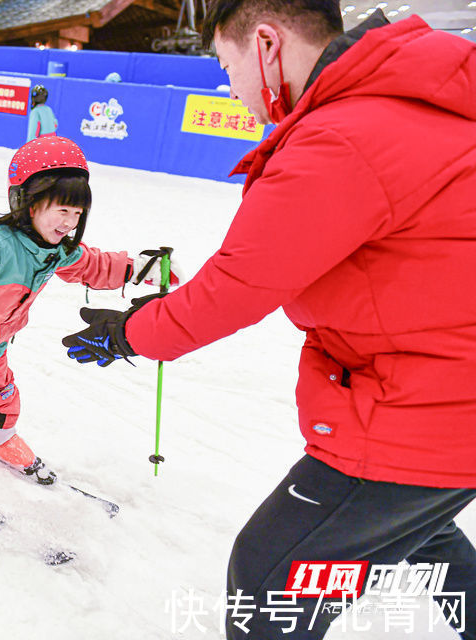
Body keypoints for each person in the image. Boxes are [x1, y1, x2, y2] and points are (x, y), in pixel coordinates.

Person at [61, 2, 476, 638]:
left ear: (266, 44)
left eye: (228, 68)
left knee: (269, 579)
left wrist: (129, 333)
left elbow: (237, 287)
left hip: (422, 410)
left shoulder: (342, 136)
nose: (232, 91)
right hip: (450, 403)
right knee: (416, 533)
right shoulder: (408, 101)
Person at [0, 135, 177, 521]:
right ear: (25, 202)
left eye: (77, 214)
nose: (69, 223)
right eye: (62, 210)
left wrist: (136, 269)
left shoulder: (55, 249)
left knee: (3, 397)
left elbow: (92, 265)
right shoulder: (0, 244)